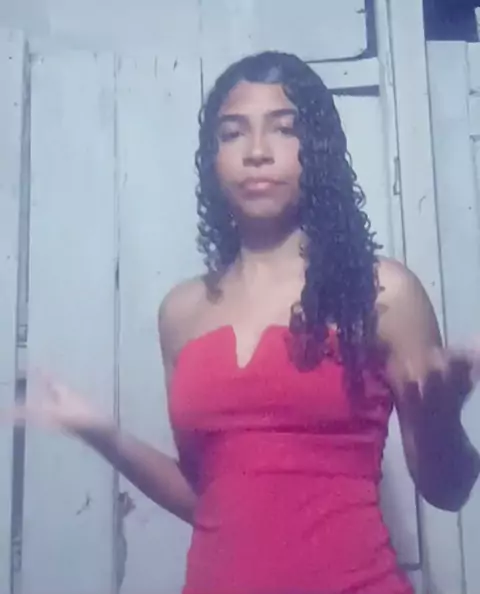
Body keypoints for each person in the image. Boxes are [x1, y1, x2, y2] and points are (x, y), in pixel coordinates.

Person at [8, 51, 480, 594]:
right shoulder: (181, 313)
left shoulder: (381, 292)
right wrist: (101, 433)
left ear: (319, 150)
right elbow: (207, 495)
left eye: (284, 129)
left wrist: (441, 421)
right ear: (213, 160)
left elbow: (449, 491)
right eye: (233, 133)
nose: (257, 152)